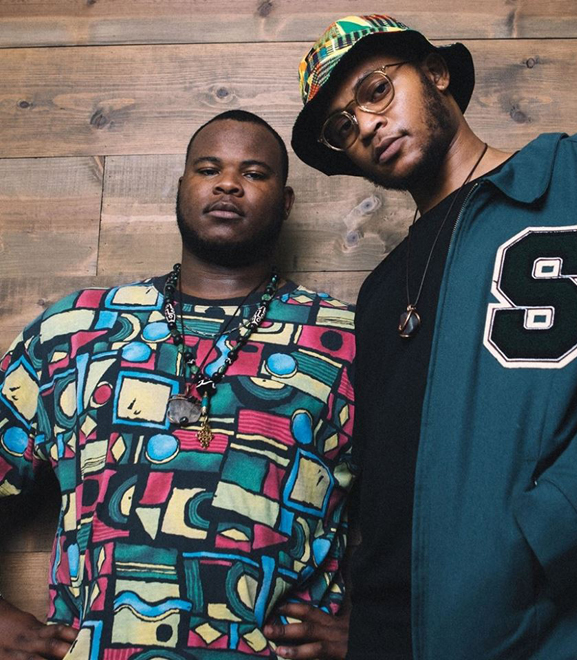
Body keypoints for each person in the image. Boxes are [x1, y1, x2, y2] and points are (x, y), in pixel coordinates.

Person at [285, 14, 577, 660]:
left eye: (376, 91)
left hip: (569, 631)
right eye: (342, 127)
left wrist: (548, 529)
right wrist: (371, 627)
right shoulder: (380, 295)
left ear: (436, 73)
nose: (366, 126)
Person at [0, 110, 355, 659]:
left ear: (285, 203)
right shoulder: (74, 330)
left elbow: (430, 503)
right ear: (180, 187)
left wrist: (377, 631)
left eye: (254, 173)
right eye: (208, 169)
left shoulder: (346, 340)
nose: (229, 183)